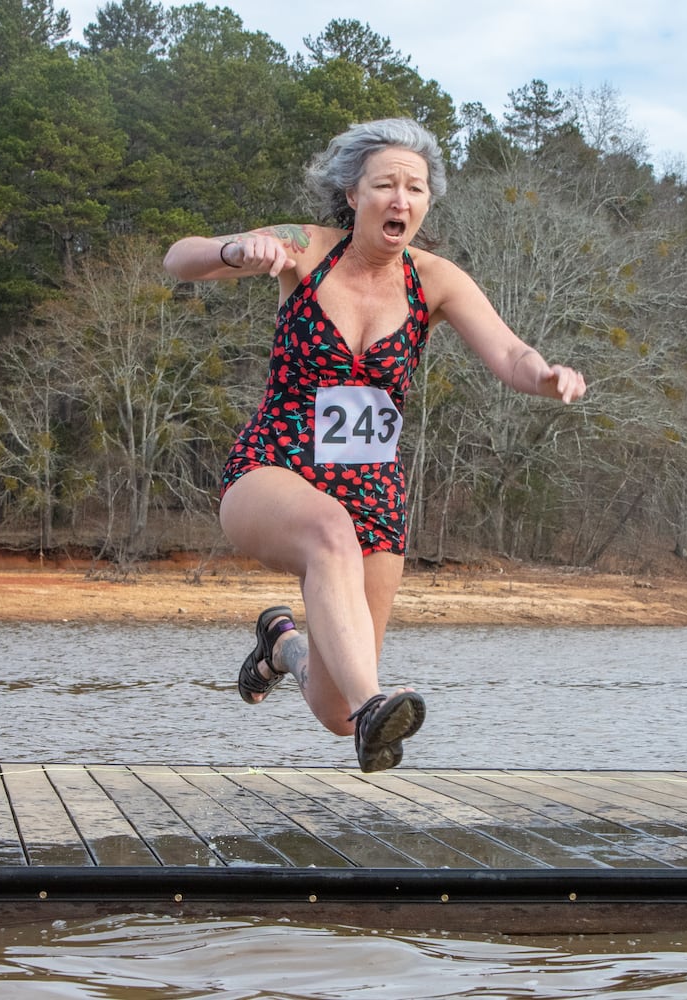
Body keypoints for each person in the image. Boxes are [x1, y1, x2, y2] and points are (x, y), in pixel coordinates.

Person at [162, 118, 587, 773]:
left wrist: (544, 375)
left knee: (331, 714)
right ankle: (373, 711)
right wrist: (235, 251)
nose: (400, 199)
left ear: (425, 203)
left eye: (414, 188)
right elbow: (177, 257)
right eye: (384, 184)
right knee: (328, 534)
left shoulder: (434, 280)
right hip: (275, 466)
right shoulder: (304, 247)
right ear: (351, 193)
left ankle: (284, 649)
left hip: (373, 495)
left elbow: (507, 350)